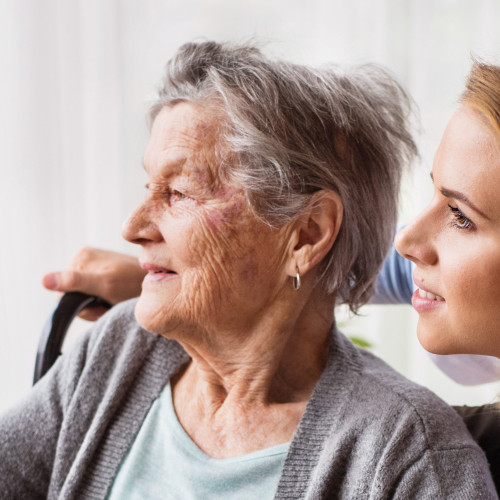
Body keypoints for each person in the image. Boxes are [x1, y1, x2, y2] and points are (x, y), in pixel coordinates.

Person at [2, 42, 496, 499]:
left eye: (179, 193)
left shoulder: (401, 456)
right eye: (149, 185)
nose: (131, 228)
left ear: (305, 234)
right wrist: (188, 283)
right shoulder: (118, 352)